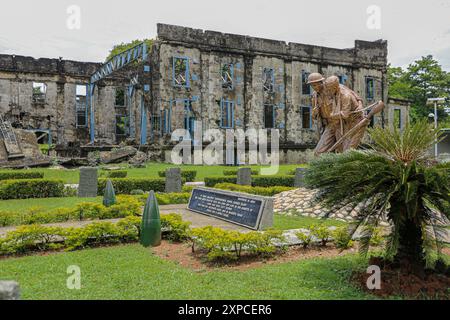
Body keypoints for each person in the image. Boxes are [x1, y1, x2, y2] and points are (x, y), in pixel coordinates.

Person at [308, 73, 366, 155]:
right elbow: (315, 116)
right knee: (319, 152)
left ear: (321, 82)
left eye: (316, 85)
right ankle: (324, 166)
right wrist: (314, 113)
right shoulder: (315, 96)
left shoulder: (334, 87)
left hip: (342, 123)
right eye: (312, 85)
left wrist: (360, 106)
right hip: (329, 124)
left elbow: (355, 97)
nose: (315, 87)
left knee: (343, 150)